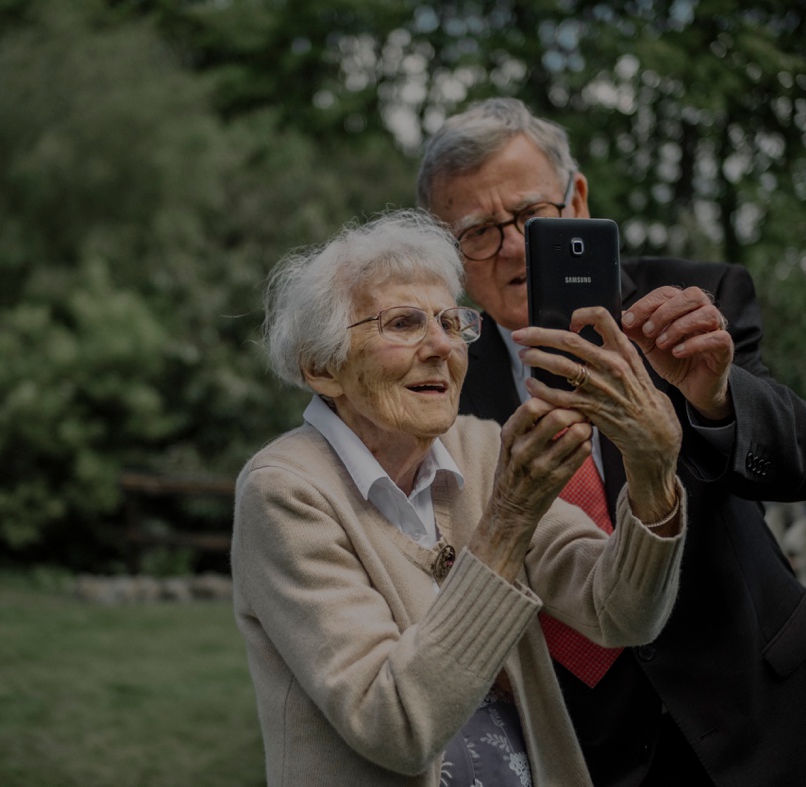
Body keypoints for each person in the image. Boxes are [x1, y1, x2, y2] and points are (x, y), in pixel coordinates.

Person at [417, 97, 806, 786]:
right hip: (584, 744)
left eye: (530, 217)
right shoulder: (438, 375)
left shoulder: (693, 299)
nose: (512, 247)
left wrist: (714, 395)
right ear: (446, 249)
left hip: (767, 712)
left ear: (578, 202)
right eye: (478, 230)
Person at [232, 209, 689, 786]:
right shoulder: (285, 490)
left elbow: (622, 612)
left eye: (452, 322)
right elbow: (397, 726)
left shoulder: (482, 447)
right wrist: (507, 521)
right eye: (404, 324)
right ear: (323, 368)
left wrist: (652, 472)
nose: (441, 346)